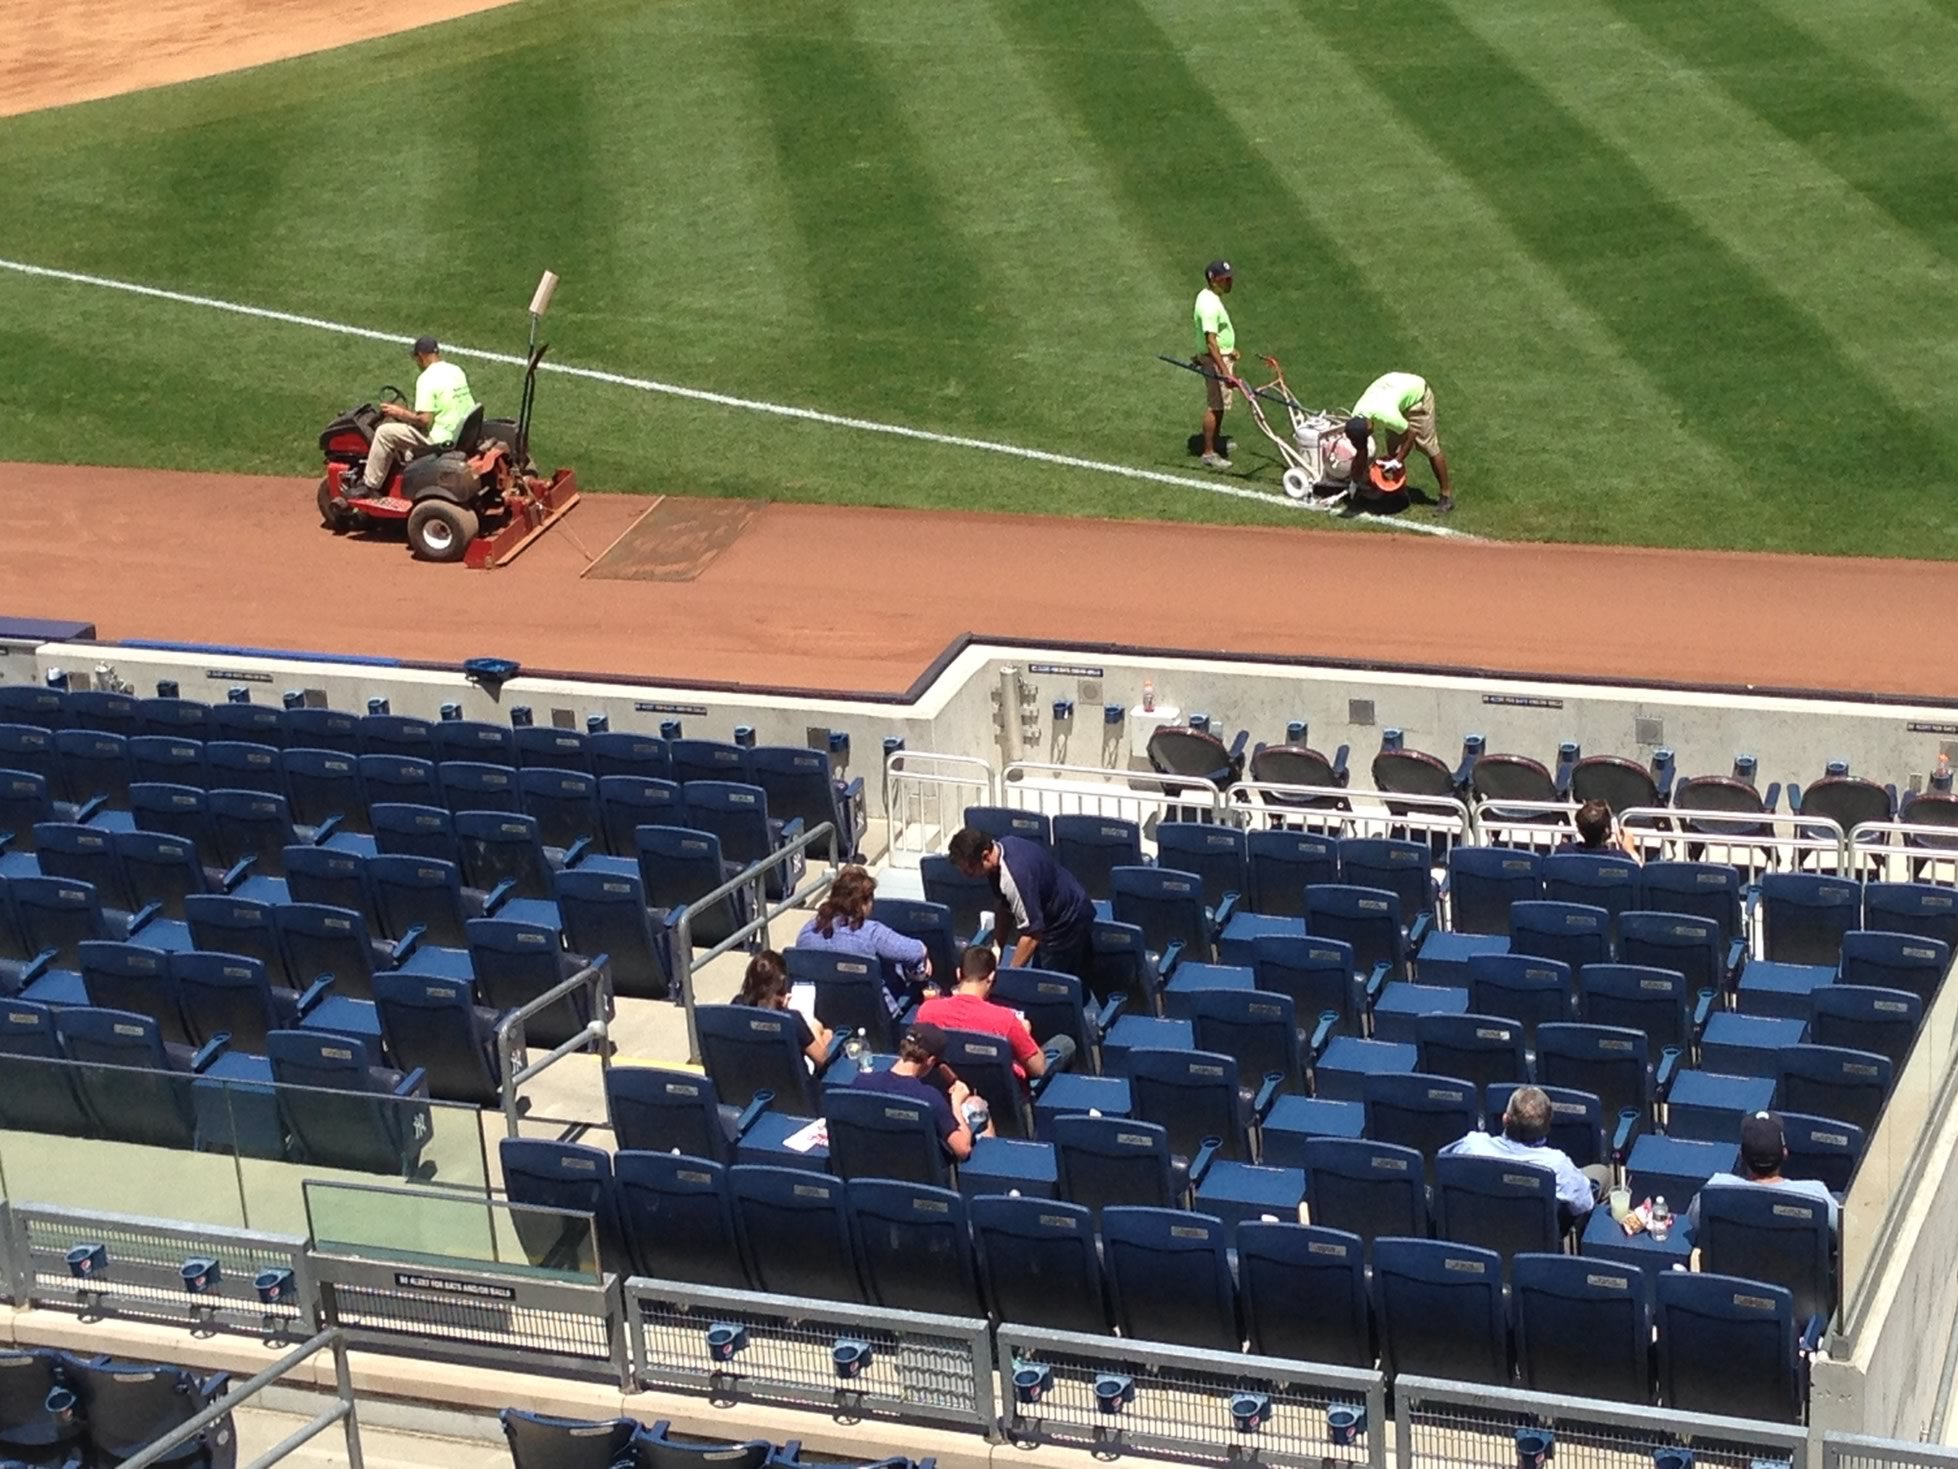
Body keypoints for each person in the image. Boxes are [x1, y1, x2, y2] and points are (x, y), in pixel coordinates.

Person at [946, 825, 1097, 983]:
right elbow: (1004, 905)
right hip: (1054, 911)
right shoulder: (1000, 853)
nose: (967, 876)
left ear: (985, 856)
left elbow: (1032, 934)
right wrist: (997, 948)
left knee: (1046, 987)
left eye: (969, 871)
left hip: (1066, 921)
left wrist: (1010, 975)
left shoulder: (1014, 875)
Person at [917, 946, 1075, 1089]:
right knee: (1064, 1043)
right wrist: (1024, 1034)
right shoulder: (1005, 1019)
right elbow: (1039, 1068)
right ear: (991, 977)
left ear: (959, 973)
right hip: (1004, 1095)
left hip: (949, 1088)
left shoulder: (927, 1011)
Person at [1439, 1084, 1598, 1225]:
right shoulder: (1557, 1165)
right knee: (1601, 1173)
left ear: (1504, 1119)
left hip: (1475, 1227)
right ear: (1547, 1128)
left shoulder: (1472, 1146)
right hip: (1533, 1238)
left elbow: (1441, 1164)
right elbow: (1584, 1205)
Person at [351, 335, 479, 498]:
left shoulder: (426, 379)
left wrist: (400, 413)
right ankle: (404, 462)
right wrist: (408, 415)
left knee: (384, 433)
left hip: (441, 440)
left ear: (420, 356)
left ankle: (370, 485)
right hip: (462, 433)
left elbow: (424, 420)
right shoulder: (456, 370)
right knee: (407, 432)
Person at [795, 864, 930, 1012]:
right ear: (864, 904)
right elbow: (915, 951)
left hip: (825, 1012)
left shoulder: (807, 933)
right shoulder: (872, 933)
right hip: (875, 1016)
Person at [848, 1022, 991, 1162]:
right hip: (921, 1174)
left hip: (873, 1166)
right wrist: (956, 1103)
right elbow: (963, 1150)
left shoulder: (861, 1083)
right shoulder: (929, 1098)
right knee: (979, 1109)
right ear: (930, 1061)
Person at [1687, 1111, 1840, 1231]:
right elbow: (1840, 1231)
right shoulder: (1815, 1195)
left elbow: (1694, 1219)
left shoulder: (1715, 1189)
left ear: (1742, 1155)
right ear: (1785, 1153)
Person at [1346, 370, 1454, 514]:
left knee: (1429, 447)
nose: (1371, 434)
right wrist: (1354, 481)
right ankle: (1397, 491)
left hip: (1417, 397)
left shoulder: (1387, 415)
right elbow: (1361, 450)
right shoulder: (1356, 417)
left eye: (1369, 433)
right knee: (1393, 447)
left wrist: (1398, 460)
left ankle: (1446, 496)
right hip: (1394, 390)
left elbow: (1411, 434)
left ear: (1367, 425)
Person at [732, 949, 831, 1068]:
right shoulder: (791, 1020)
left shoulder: (737, 1007)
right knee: (827, 1034)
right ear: (782, 982)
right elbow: (822, 1059)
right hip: (793, 1085)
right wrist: (813, 1027)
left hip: (751, 1077)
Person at [1192, 260, 1243, 471]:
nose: (1229, 282)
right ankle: (1209, 453)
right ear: (1213, 280)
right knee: (1216, 405)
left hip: (1218, 357)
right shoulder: (1209, 305)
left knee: (1220, 404)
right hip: (1215, 361)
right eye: (1225, 279)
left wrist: (1229, 349)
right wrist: (1224, 371)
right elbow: (1211, 341)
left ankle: (1215, 441)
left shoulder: (1208, 297)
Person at [1556, 799, 1642, 859]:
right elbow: (1637, 873)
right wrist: (1631, 850)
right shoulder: (1620, 860)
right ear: (1607, 830)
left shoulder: (1562, 853)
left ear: (1579, 829)